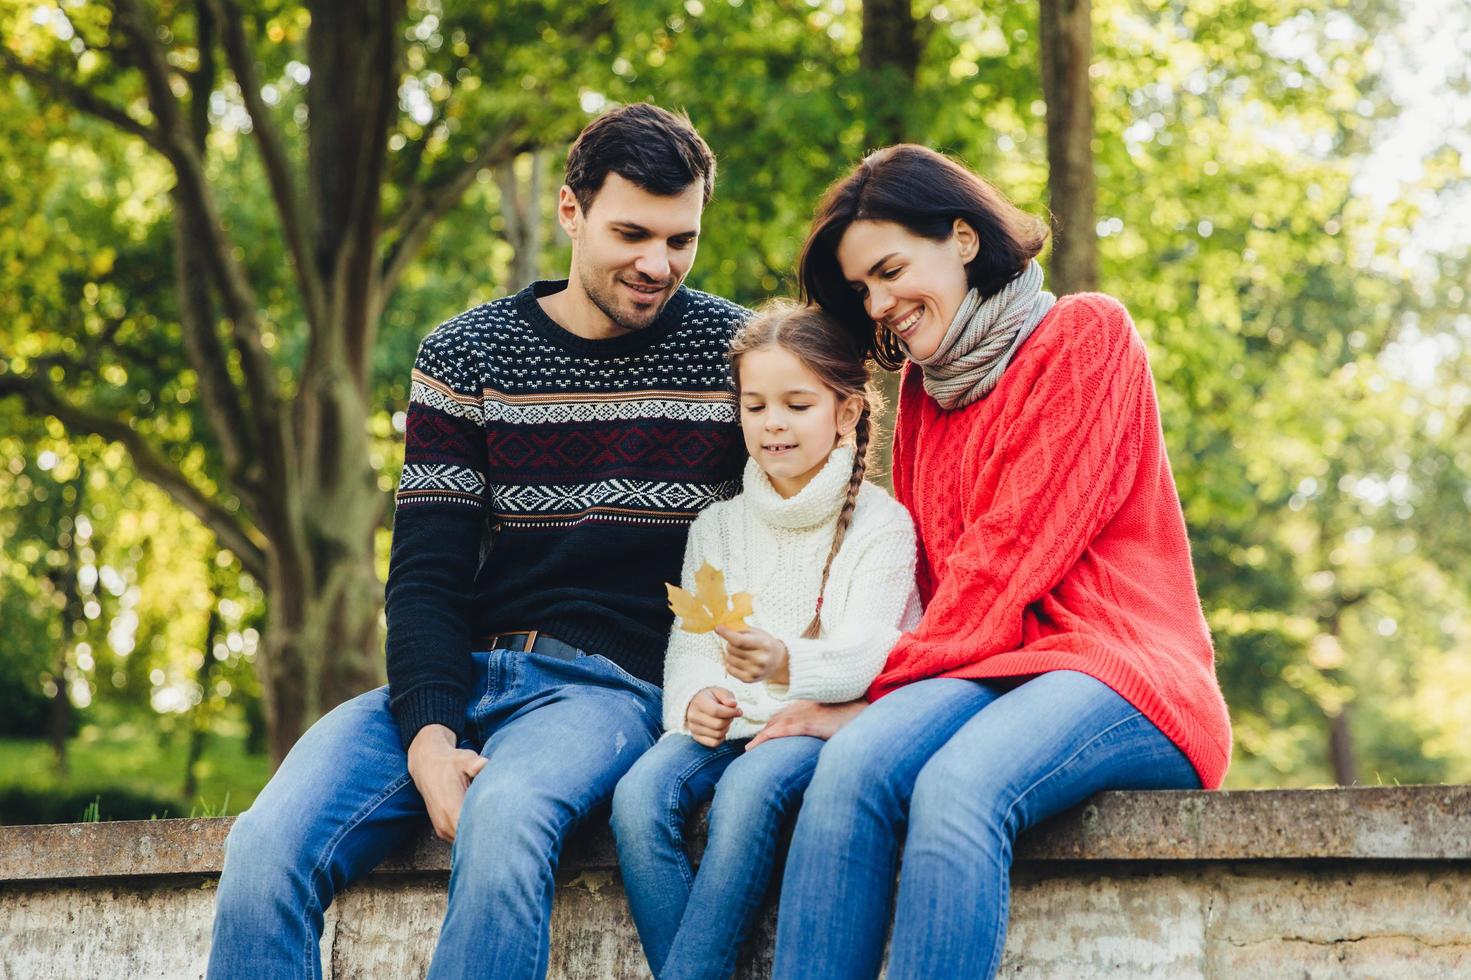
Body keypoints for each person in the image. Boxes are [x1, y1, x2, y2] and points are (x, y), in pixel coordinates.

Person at [207, 103, 750, 980]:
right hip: (463, 671)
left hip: (608, 690)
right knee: (265, 845)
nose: (658, 265)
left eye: (681, 240)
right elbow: (425, 572)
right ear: (571, 213)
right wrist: (428, 732)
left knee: (502, 817)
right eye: (631, 234)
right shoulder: (468, 353)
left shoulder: (732, 352)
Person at [758, 144, 1234, 979]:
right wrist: (851, 706)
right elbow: (936, 588)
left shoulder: (1085, 335)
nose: (879, 303)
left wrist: (870, 693)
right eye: (862, 289)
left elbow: (1007, 559)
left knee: (957, 791)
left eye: (891, 269)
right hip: (992, 666)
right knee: (849, 771)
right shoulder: (925, 399)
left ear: (963, 239)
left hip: (1123, 670)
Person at [609, 301, 921, 980]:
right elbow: (692, 645)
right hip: (724, 729)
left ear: (844, 413)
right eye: (755, 406)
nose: (772, 422)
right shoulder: (717, 525)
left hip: (814, 730)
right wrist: (697, 701)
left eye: (796, 404)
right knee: (637, 798)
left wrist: (786, 662)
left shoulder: (881, 526)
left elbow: (871, 650)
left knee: (748, 793)